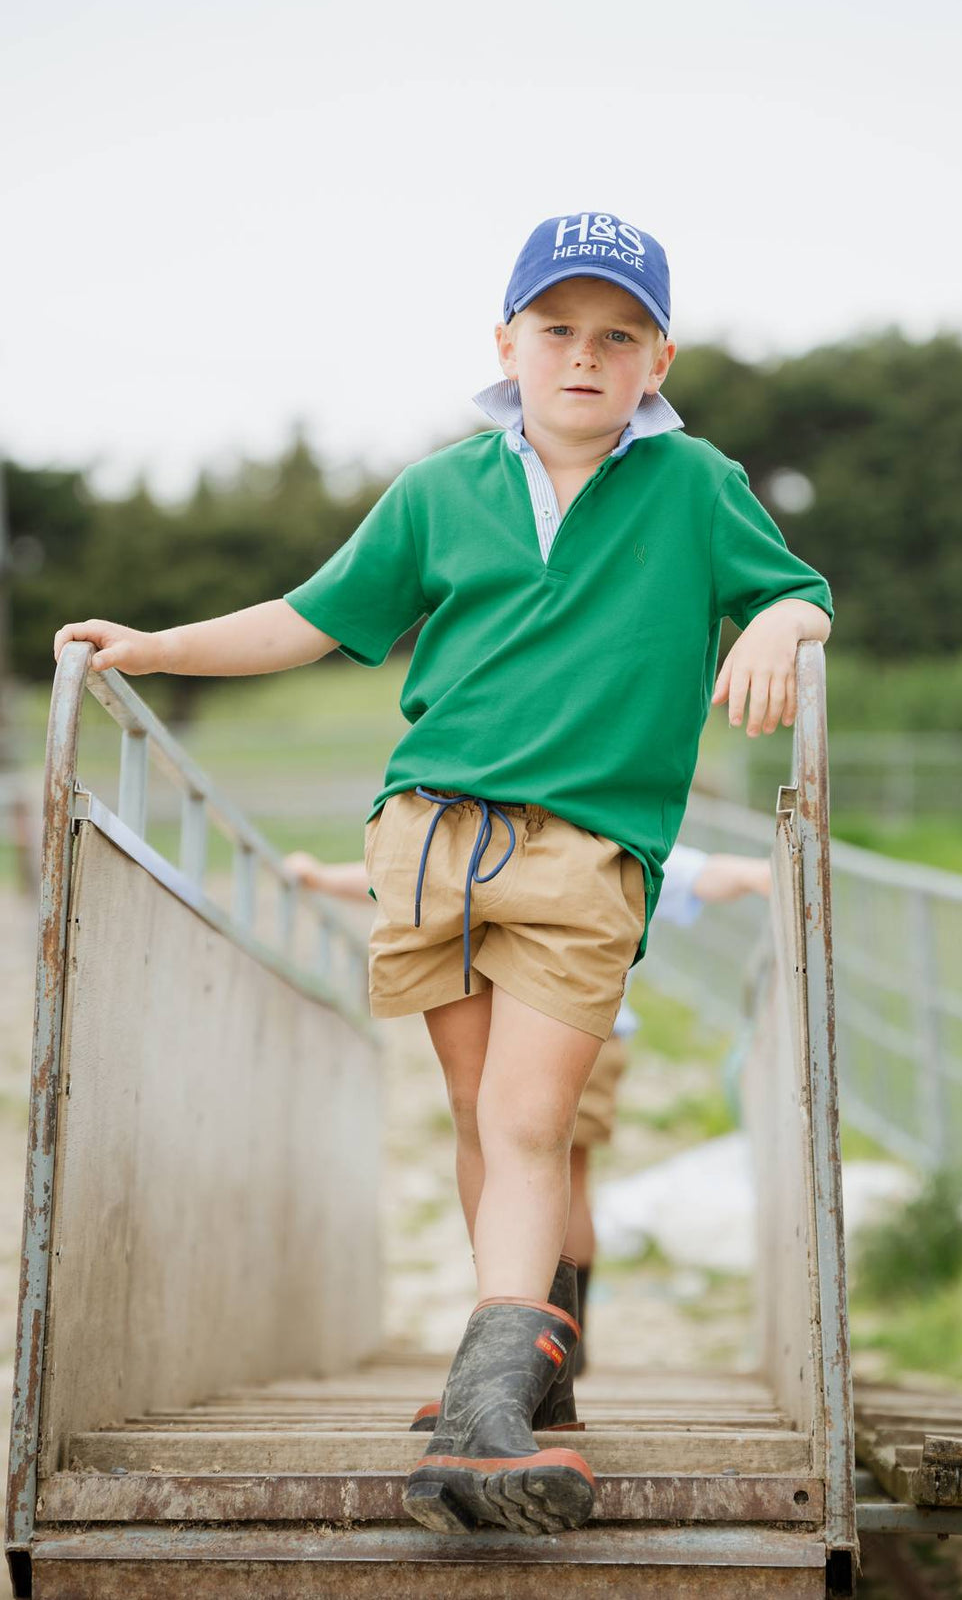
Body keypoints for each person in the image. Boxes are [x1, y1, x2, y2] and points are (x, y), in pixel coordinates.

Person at [53, 210, 832, 1537]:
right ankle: (513, 1374)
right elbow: (313, 616)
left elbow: (802, 590)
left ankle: (487, 1411)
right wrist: (156, 646)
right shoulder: (439, 489)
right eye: (559, 329)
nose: (585, 356)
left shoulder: (696, 483)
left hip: (585, 848)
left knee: (533, 1121)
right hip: (425, 835)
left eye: (618, 335)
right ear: (508, 342)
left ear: (658, 358)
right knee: (481, 1118)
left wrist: (776, 619)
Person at [283, 842, 771, 1376]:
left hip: (573, 1035)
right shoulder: (593, 837)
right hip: (569, 1029)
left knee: (532, 1169)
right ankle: (547, 1344)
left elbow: (406, 868)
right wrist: (758, 875)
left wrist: (320, 877)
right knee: (544, 1172)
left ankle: (542, 1346)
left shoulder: (542, 835)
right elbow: (706, 874)